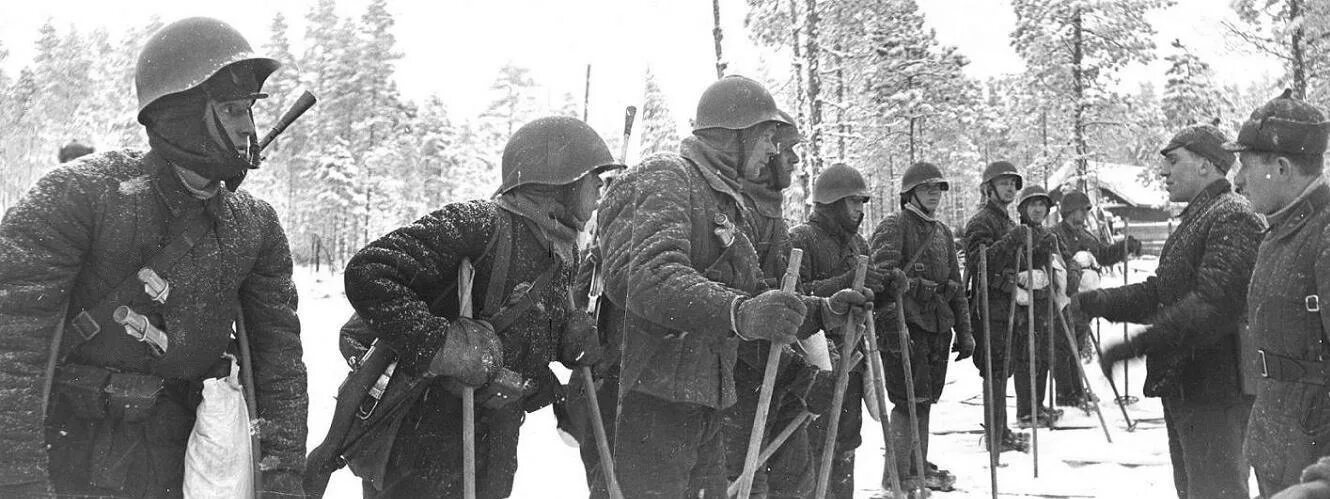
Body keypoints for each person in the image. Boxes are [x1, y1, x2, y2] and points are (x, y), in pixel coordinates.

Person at [0, 17, 307, 497]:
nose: (249, 126)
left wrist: (283, 477)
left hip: (196, 462)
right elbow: (11, 348)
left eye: (248, 110)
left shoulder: (256, 225)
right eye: (231, 110)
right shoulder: (81, 195)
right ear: (181, 115)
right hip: (73, 457)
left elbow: (278, 363)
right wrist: (17, 480)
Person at [596, 74, 870, 497]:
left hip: (703, 403)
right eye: (768, 139)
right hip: (648, 402)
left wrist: (823, 310)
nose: (775, 153)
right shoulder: (667, 177)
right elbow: (647, 274)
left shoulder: (725, 205)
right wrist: (739, 314)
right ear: (736, 135)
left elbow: (760, 296)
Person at [341, 116, 616, 498]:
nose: (599, 193)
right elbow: (368, 272)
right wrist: (445, 345)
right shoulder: (480, 224)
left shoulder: (561, 249)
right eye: (594, 181)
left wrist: (566, 336)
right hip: (422, 439)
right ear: (561, 183)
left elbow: (519, 341)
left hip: (495, 439)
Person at [1083, 124, 1263, 499]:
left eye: (1173, 160)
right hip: (1190, 385)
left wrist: (1136, 346)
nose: (1163, 172)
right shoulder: (1200, 217)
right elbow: (1163, 293)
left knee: (1216, 492)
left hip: (1216, 390)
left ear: (1205, 165)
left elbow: (1212, 304)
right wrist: (1098, 302)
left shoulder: (1232, 216)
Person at [722, 112, 830, 498]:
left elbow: (787, 298)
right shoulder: (737, 215)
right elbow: (746, 309)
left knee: (794, 483)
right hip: (742, 382)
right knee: (749, 485)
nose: (795, 161)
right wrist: (802, 375)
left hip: (777, 376)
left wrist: (827, 309)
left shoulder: (773, 216)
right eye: (787, 151)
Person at [1228, 90, 1330, 497]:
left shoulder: (1324, 236)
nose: (1236, 179)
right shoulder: (1283, 231)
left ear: (1282, 167)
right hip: (1280, 445)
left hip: (1312, 464)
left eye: (1246, 165)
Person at [791, 163, 896, 497]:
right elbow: (796, 297)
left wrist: (886, 291)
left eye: (863, 203)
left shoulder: (859, 245)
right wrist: (847, 283)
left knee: (847, 443)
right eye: (854, 202)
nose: (861, 211)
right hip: (816, 365)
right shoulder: (801, 239)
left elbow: (864, 303)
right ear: (833, 202)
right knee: (817, 446)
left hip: (852, 361)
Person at [867, 161, 972, 492]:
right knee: (906, 401)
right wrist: (899, 284)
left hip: (937, 330)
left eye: (938, 188)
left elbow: (955, 284)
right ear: (909, 193)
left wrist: (966, 332)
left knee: (924, 400)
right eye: (926, 188)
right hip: (903, 329)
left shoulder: (941, 232)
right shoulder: (894, 225)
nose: (934, 194)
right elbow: (878, 277)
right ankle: (897, 474)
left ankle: (917, 465)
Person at [963, 160, 1031, 452]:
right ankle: (995, 435)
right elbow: (980, 264)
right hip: (990, 307)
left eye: (1013, 183)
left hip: (1009, 307)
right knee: (994, 371)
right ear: (988, 188)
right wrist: (1010, 242)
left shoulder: (1007, 221)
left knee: (1005, 369)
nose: (1010, 188)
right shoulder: (981, 221)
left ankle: (1001, 430)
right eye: (1003, 183)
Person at [1049, 190, 1138, 408]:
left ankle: (1077, 390)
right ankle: (1065, 392)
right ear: (1070, 211)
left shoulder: (1087, 236)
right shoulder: (1055, 235)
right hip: (1061, 299)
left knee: (1076, 346)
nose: (1085, 214)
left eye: (1086, 210)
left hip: (1083, 301)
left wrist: (1124, 247)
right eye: (1082, 209)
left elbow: (1104, 255)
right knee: (1063, 347)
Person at [1009, 185, 1059, 428]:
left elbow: (1057, 264)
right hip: (1023, 306)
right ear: (1023, 209)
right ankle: (1026, 411)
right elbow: (1008, 266)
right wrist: (1021, 281)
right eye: (1033, 205)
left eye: (1042, 205)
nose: (1038, 209)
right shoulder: (1017, 233)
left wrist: (1051, 275)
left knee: (1044, 355)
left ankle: (1038, 404)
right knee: (1027, 357)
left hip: (1044, 303)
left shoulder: (1048, 235)